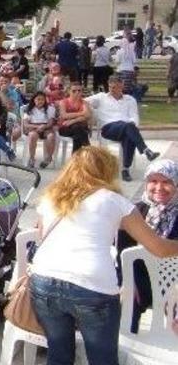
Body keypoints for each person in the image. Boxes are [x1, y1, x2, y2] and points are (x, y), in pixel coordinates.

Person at [30, 147, 178, 365]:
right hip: (91, 287)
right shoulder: (114, 201)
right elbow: (158, 248)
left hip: (43, 281)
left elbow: (43, 237)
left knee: (59, 355)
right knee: (103, 359)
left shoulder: (52, 196)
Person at [118, 159, 178, 334]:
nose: (159, 187)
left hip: (174, 282)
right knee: (125, 301)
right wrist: (127, 281)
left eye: (166, 182)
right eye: (153, 181)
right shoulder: (135, 210)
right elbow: (123, 251)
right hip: (140, 278)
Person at [86, 76, 159, 181]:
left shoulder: (130, 100)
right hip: (108, 128)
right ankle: (146, 150)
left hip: (126, 127)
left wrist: (132, 126)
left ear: (122, 87)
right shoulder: (101, 97)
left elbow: (134, 116)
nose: (112, 90)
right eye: (110, 87)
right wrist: (87, 112)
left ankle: (125, 169)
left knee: (129, 136)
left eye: (115, 87)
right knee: (129, 128)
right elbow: (83, 101)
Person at [22, 91, 57, 169]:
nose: (40, 101)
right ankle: (31, 158)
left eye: (42, 99)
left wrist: (44, 126)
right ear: (34, 100)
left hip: (46, 127)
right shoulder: (29, 109)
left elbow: (51, 123)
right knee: (32, 135)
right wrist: (36, 127)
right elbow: (26, 124)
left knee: (51, 136)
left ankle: (49, 158)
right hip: (33, 128)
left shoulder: (50, 109)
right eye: (38, 99)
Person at [56, 82, 91, 153]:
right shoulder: (63, 102)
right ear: (69, 91)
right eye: (74, 91)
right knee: (79, 130)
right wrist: (81, 114)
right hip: (65, 128)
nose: (77, 93)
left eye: (79, 91)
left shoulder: (84, 102)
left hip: (79, 128)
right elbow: (64, 115)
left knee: (77, 131)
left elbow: (87, 115)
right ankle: (88, 150)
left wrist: (73, 121)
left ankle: (76, 157)